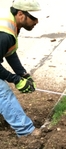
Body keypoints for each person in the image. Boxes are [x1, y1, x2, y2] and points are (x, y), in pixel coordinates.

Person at [0, 0, 42, 137]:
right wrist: (15, 79)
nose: (37, 22)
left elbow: (10, 52)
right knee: (3, 92)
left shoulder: (11, 24)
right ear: (20, 14)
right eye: (34, 18)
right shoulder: (4, 34)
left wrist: (23, 74)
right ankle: (26, 132)